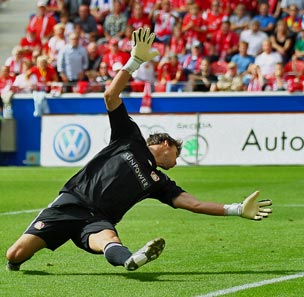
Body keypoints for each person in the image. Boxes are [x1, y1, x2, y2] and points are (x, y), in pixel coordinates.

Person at [5, 28, 272, 273]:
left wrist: (237, 209)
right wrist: (134, 62)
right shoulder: (129, 138)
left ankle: (131, 259)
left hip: (97, 219)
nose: (176, 164)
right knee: (14, 254)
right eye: (177, 156)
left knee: (109, 240)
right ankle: (16, 263)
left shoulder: (159, 183)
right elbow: (110, 96)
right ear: (165, 144)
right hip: (70, 203)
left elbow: (195, 204)